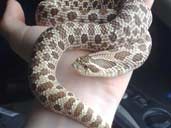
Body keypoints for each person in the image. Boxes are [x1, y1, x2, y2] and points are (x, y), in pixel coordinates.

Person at [0, 0, 154, 127]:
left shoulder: (139, 47)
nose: (77, 65)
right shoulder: (138, 41)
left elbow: (121, 30)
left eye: (85, 66)